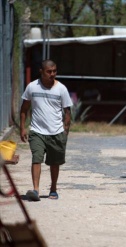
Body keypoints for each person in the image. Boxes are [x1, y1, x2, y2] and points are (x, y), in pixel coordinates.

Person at [20, 60, 73, 201]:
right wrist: (22, 128)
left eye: (54, 71)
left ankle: (53, 189)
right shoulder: (32, 87)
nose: (52, 74)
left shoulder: (61, 89)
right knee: (36, 158)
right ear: (41, 71)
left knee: (54, 162)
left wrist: (65, 132)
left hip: (56, 132)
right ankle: (36, 190)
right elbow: (24, 108)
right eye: (49, 71)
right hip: (37, 131)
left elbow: (67, 112)